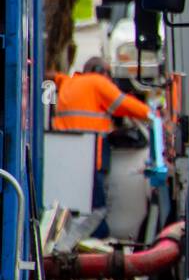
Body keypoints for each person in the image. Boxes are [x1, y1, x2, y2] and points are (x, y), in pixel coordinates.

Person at [51, 57, 153, 229]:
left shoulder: (68, 83)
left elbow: (54, 76)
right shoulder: (98, 83)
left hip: (65, 160)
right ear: (101, 71)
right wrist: (153, 114)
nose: (111, 82)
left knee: (76, 210)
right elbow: (124, 104)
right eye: (110, 77)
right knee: (96, 210)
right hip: (90, 157)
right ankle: (92, 244)